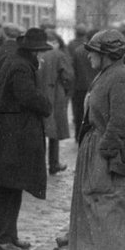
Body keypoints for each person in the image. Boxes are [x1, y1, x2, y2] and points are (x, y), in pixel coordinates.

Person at [69, 29, 125, 250]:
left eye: (93, 52)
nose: (89, 56)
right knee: (101, 209)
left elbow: (122, 121)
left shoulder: (121, 78)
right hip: (103, 150)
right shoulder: (108, 74)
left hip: (114, 156)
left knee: (111, 210)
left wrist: (105, 152)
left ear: (107, 54)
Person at [0, 27, 54, 250]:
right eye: (39, 51)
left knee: (12, 186)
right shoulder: (21, 67)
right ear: (33, 50)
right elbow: (27, 96)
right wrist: (46, 104)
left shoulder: (14, 61)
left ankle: (8, 234)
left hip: (9, 132)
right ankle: (1, 237)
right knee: (10, 186)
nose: (40, 55)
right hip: (14, 135)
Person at [37, 22, 73, 175]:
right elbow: (69, 76)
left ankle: (38, 165)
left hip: (38, 93)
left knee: (40, 130)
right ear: (55, 42)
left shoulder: (37, 53)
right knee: (54, 132)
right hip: (55, 95)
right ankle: (54, 163)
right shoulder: (59, 55)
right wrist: (65, 90)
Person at [67, 23, 96, 140]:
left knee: (78, 113)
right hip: (94, 85)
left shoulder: (75, 49)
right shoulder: (98, 51)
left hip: (79, 86)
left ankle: (79, 136)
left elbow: (71, 68)